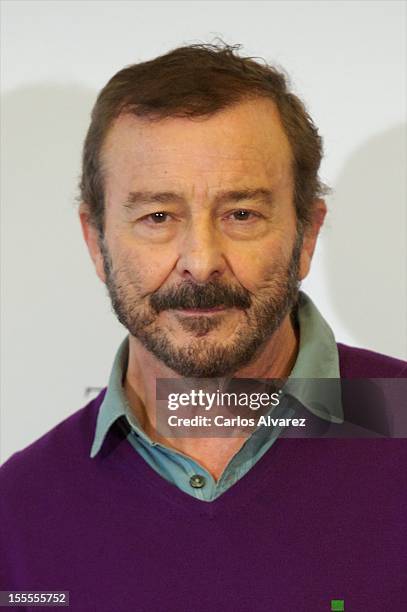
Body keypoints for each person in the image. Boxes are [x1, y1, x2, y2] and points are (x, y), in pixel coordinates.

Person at [1, 43, 406, 612]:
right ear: (96, 242)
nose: (200, 259)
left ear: (306, 234)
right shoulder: (18, 513)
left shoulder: (399, 416)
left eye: (242, 214)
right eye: (157, 217)